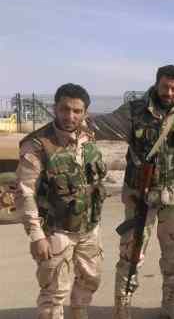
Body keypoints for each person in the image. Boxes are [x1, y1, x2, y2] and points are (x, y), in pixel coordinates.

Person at [90, 65, 174, 319]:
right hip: (140, 197)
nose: (169, 92)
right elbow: (97, 127)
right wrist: (70, 122)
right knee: (131, 252)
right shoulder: (134, 112)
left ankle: (169, 304)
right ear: (156, 84)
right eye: (165, 86)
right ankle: (122, 307)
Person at [16, 83, 107, 319]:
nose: (70, 116)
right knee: (54, 291)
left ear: (85, 113)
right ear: (55, 108)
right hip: (56, 231)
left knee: (90, 280)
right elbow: (25, 193)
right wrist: (37, 236)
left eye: (77, 111)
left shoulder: (87, 137)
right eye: (65, 109)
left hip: (89, 228)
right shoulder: (37, 145)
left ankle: (79, 313)